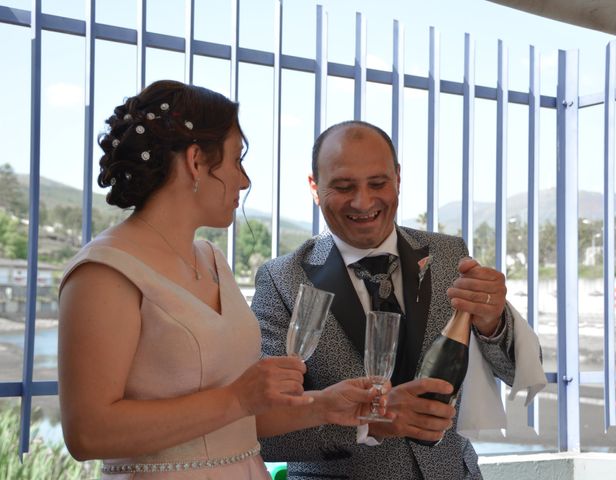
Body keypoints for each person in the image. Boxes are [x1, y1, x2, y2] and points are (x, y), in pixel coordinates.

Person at [57, 83, 389, 479]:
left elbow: (236, 417)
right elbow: (87, 434)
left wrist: (322, 406)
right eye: (236, 159)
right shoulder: (104, 271)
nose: (244, 181)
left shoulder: (212, 259)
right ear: (196, 161)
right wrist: (236, 397)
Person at [251, 120, 545, 479]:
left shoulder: (449, 254)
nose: (363, 202)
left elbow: (518, 370)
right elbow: (262, 430)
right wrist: (369, 423)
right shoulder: (281, 280)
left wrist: (493, 323)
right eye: (344, 187)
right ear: (315, 187)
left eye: (378, 183)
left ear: (398, 178)